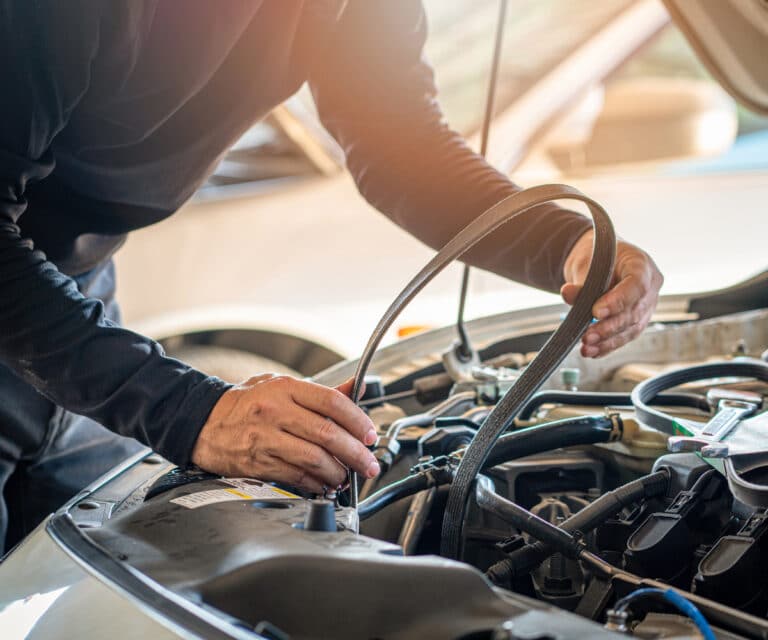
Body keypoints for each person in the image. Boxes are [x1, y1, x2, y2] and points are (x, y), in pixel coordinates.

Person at [0, 1, 663, 551]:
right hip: (26, 302)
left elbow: (399, 142)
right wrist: (192, 412)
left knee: (66, 586)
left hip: (66, 309)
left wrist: (570, 244)